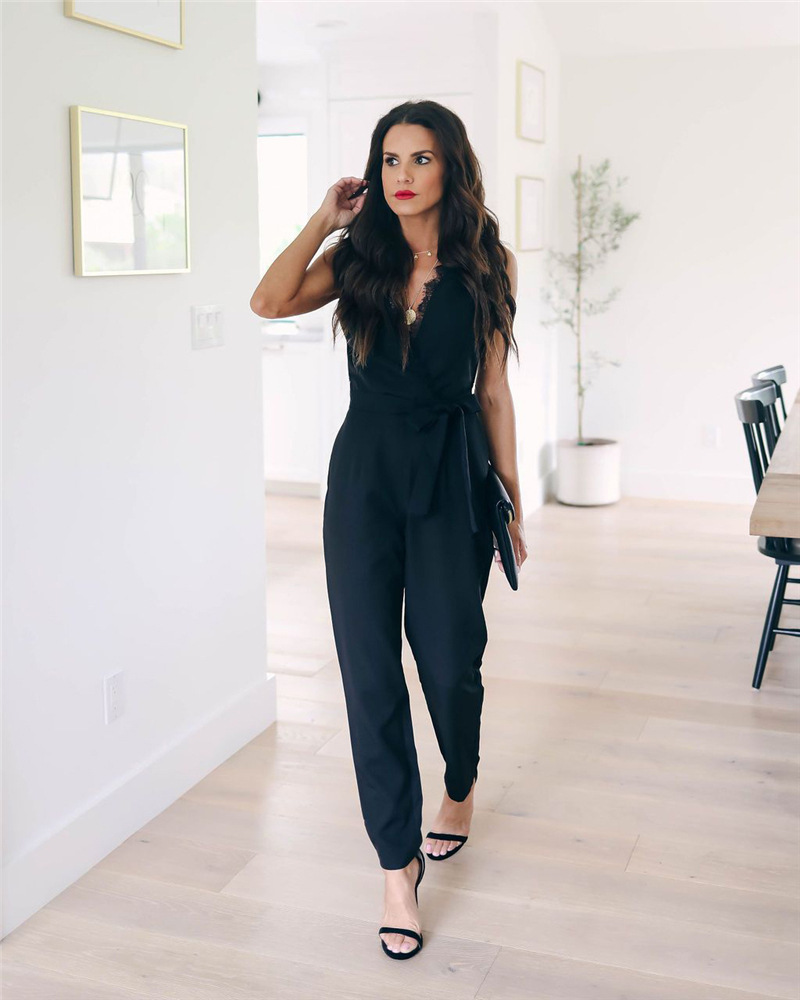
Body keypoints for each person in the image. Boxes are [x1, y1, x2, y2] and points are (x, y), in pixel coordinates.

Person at [250, 99, 527, 960]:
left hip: (451, 473)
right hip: (363, 480)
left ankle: (461, 782)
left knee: (450, 660)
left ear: (452, 167)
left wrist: (512, 497)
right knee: (369, 673)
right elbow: (268, 300)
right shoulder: (358, 257)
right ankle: (395, 866)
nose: (403, 175)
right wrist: (323, 219)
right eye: (390, 160)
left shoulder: (486, 263)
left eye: (421, 159)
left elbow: (492, 389)